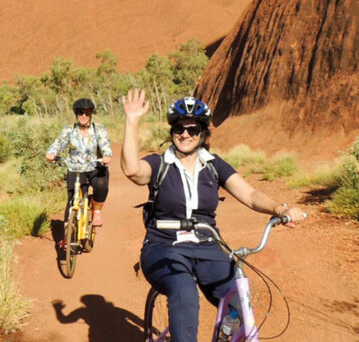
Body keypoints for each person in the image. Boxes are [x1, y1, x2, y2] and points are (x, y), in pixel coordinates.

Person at [120, 89, 306, 342]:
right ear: (172, 132)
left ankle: (227, 333)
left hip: (207, 246)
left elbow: (250, 195)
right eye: (179, 129)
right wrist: (132, 121)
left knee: (238, 296)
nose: (185, 134)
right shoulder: (159, 164)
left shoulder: (213, 165)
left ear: (202, 134)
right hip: (164, 246)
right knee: (184, 292)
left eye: (193, 130)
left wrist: (280, 209)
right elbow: (132, 169)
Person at [46, 98, 113, 228]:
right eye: (80, 112)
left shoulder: (98, 129)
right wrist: (52, 153)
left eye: (87, 113)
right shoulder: (69, 130)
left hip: (95, 166)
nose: (83, 116)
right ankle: (67, 233)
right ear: (76, 113)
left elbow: (105, 145)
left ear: (91, 114)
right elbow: (59, 143)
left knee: (101, 185)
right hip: (75, 167)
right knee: (72, 198)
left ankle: (97, 210)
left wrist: (106, 155)